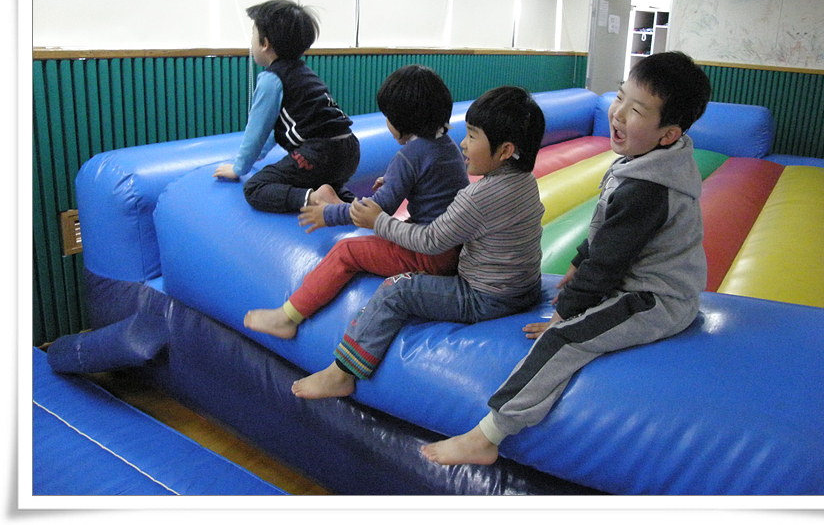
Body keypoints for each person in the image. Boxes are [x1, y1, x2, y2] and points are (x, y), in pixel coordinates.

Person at [420, 51, 712, 466]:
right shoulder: (649, 162)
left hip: (655, 299)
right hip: (635, 281)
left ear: (668, 134)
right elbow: (609, 229)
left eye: (636, 110)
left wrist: (565, 314)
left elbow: (609, 263)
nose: (618, 113)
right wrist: (579, 259)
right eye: (620, 97)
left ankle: (489, 434)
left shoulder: (649, 188)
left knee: (563, 340)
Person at [291, 86, 547, 400]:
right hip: (525, 288)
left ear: (505, 150)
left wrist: (379, 222)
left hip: (485, 298)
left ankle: (342, 373)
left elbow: (430, 241)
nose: (463, 144)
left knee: (396, 290)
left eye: (472, 136)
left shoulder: (479, 196)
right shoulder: (525, 181)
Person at [243, 64, 470, 340]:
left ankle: (288, 317)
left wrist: (328, 214)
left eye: (387, 117)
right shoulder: (447, 146)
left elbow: (379, 209)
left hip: (430, 257)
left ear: (400, 122)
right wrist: (395, 180)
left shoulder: (410, 156)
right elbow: (437, 185)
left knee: (345, 251)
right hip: (451, 247)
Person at [214, 0, 360, 213]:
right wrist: (260, 156)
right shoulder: (305, 73)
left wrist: (239, 168)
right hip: (349, 150)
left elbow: (257, 131)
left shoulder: (272, 79)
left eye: (253, 34)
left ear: (265, 43)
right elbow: (276, 129)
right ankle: (356, 207)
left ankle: (314, 199)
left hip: (318, 154)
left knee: (255, 187)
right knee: (323, 180)